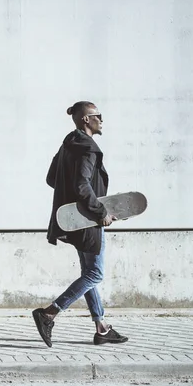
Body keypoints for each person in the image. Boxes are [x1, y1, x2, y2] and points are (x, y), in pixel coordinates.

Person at [32, 101, 128, 347]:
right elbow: (83, 186)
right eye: (99, 116)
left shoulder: (68, 144)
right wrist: (100, 212)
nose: (102, 120)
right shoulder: (88, 148)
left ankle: (102, 329)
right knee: (95, 274)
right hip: (88, 221)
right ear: (87, 120)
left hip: (75, 220)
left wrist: (74, 206)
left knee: (88, 274)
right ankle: (48, 314)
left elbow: (52, 178)